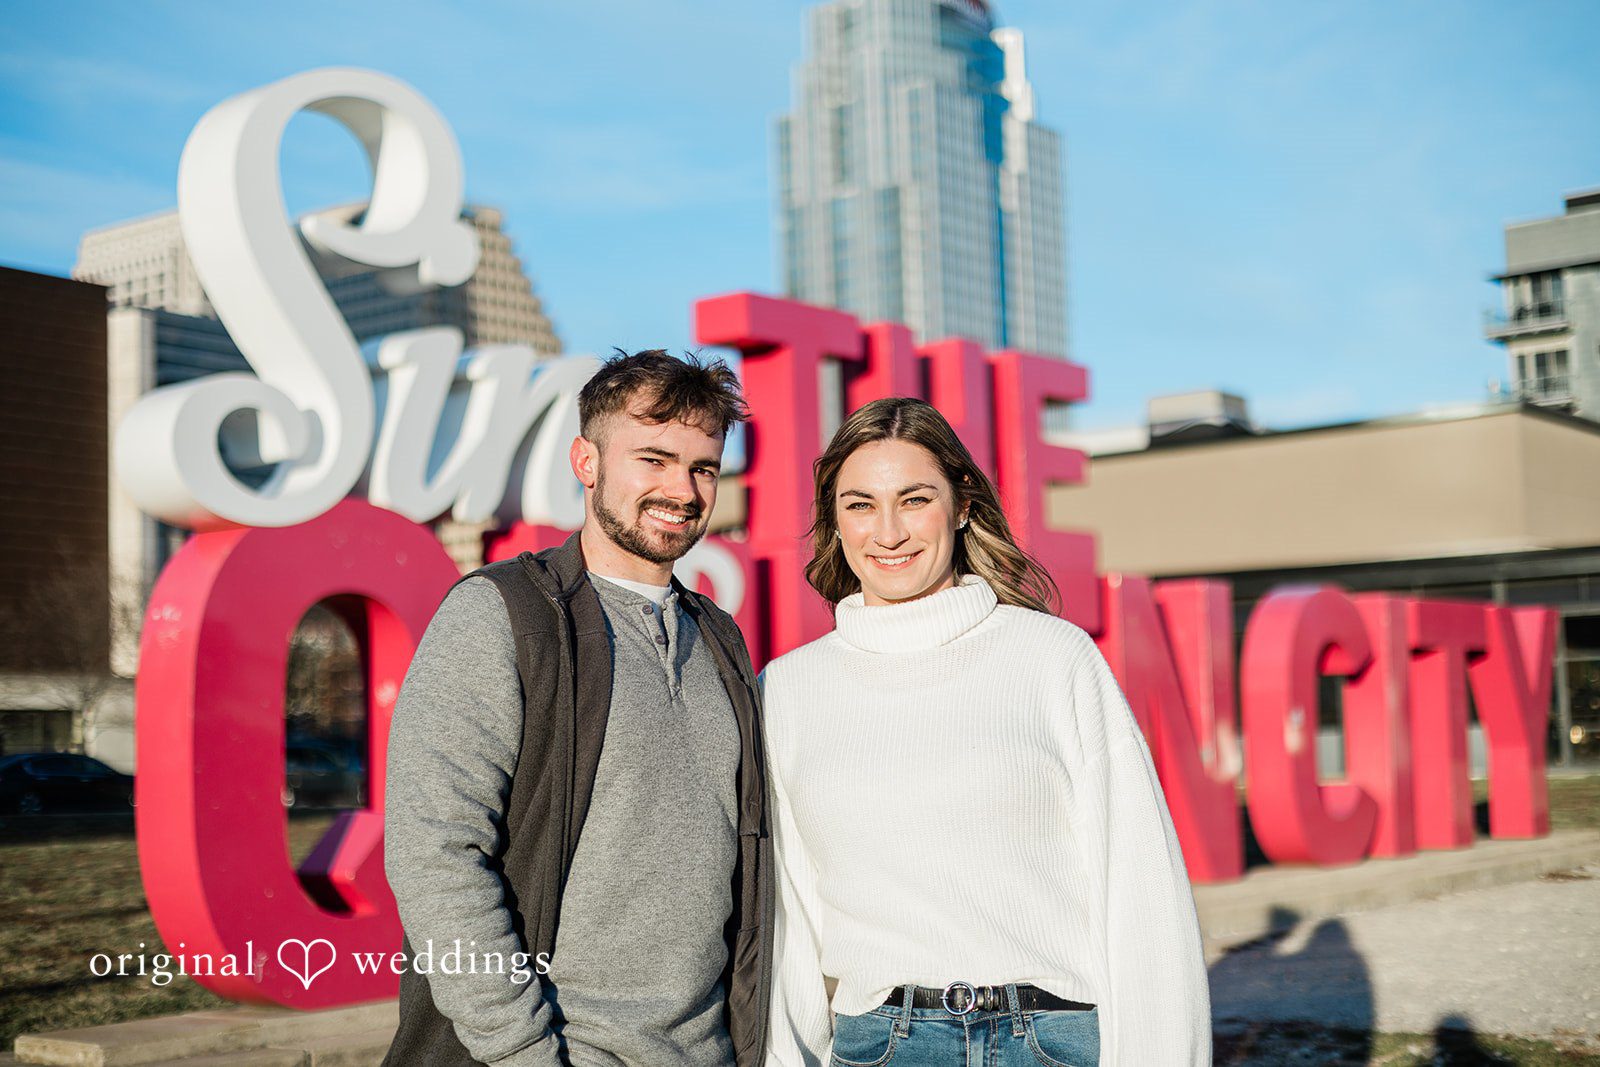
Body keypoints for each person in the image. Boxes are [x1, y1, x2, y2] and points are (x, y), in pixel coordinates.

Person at [761, 397, 1211, 1066]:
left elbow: (1141, 892)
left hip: (1050, 1041)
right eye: (859, 505)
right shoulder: (790, 689)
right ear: (833, 520)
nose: (887, 533)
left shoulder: (1056, 659)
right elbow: (787, 918)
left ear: (963, 502)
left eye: (914, 499)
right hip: (882, 1044)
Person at [383, 350, 774, 1067]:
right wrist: (525, 1051)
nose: (681, 490)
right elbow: (435, 854)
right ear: (586, 460)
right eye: (652, 460)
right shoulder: (503, 614)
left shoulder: (720, 639)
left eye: (703, 467)